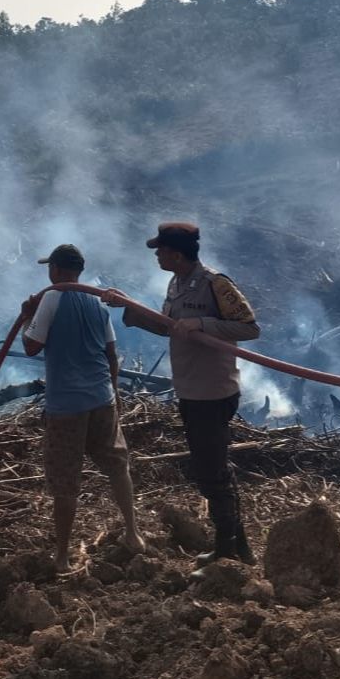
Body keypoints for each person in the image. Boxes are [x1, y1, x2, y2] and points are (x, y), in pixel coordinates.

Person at [101, 222, 260, 566]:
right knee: (214, 469)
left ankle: (227, 552)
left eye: (160, 250)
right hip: (191, 388)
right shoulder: (177, 284)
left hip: (213, 391)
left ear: (176, 253)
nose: (157, 255)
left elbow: (249, 327)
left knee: (210, 472)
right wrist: (128, 307)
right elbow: (167, 326)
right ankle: (237, 547)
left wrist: (202, 325)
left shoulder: (216, 283)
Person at [22, 243, 144, 572]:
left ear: (57, 270)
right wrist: (114, 394)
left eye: (51, 268)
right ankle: (133, 534)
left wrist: (26, 317)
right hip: (102, 399)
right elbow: (111, 353)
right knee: (118, 466)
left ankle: (61, 557)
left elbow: (32, 346)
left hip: (67, 405)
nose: (49, 273)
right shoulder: (95, 300)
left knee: (65, 481)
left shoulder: (51, 297)